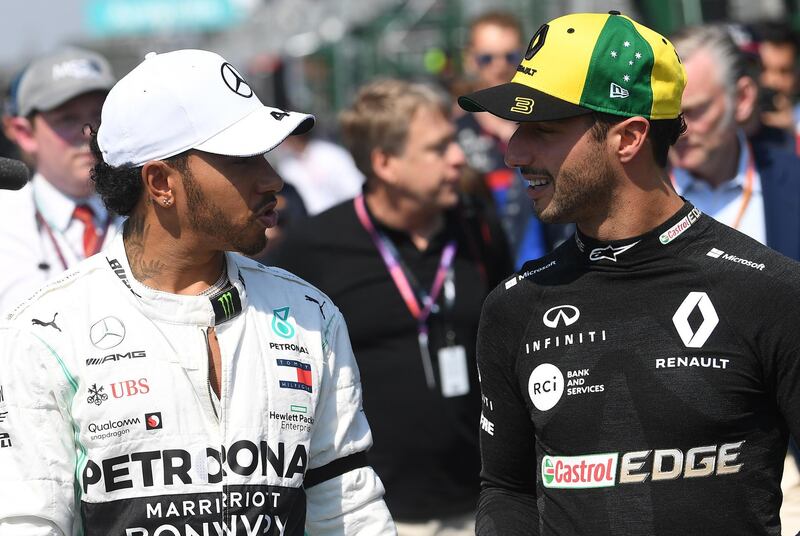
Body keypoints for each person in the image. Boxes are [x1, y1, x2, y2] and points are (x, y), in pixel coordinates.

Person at [0, 49, 395, 535]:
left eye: (267, 155)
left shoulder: (311, 314)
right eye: (242, 159)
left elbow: (349, 514)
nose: (272, 180)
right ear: (161, 182)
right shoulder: (46, 333)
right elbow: (27, 523)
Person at [458, 10, 800, 535]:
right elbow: (507, 491)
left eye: (542, 129)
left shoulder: (769, 291)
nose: (514, 151)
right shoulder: (514, 307)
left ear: (629, 137)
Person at [274, 78, 513, 535]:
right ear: (385, 162)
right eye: (438, 148)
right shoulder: (316, 247)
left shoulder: (477, 228)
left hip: (484, 504)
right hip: (376, 515)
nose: (458, 158)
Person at [0, 47, 122, 314]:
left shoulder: (152, 209)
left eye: (100, 115)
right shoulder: (5, 221)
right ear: (22, 132)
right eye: (67, 119)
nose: (90, 133)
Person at [669, 25, 800, 262]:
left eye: (695, 111)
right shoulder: (631, 195)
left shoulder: (792, 181)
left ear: (742, 99)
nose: (679, 129)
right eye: (667, 113)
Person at [456, 11, 554, 267]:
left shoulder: (548, 126)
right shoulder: (453, 138)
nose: (499, 66)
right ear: (470, 60)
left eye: (510, 56)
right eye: (486, 58)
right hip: (484, 269)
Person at [275, 130, 364, 216]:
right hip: (310, 223)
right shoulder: (287, 167)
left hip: (343, 216)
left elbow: (355, 189)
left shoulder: (330, 154)